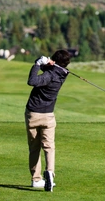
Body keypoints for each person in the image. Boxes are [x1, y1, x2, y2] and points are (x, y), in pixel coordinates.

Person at [25, 48, 71, 192]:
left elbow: (32, 81)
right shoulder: (63, 74)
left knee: (34, 148)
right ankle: (50, 172)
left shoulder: (49, 76)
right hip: (49, 115)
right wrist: (45, 62)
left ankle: (36, 179)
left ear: (55, 61)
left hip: (33, 114)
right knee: (49, 146)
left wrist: (38, 63)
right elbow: (50, 68)